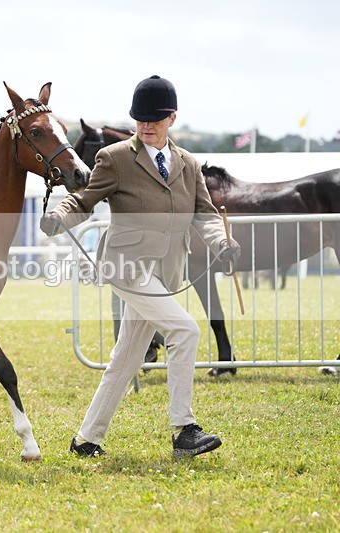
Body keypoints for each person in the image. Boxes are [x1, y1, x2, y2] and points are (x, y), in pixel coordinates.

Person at [40, 75, 241, 458]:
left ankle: (86, 439)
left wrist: (223, 242)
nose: (146, 126)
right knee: (185, 330)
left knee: (126, 358)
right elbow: (83, 199)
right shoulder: (114, 158)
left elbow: (206, 214)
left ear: (173, 118)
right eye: (139, 119)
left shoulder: (188, 163)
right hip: (127, 266)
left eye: (155, 119)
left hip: (166, 271)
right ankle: (184, 429)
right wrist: (59, 216)